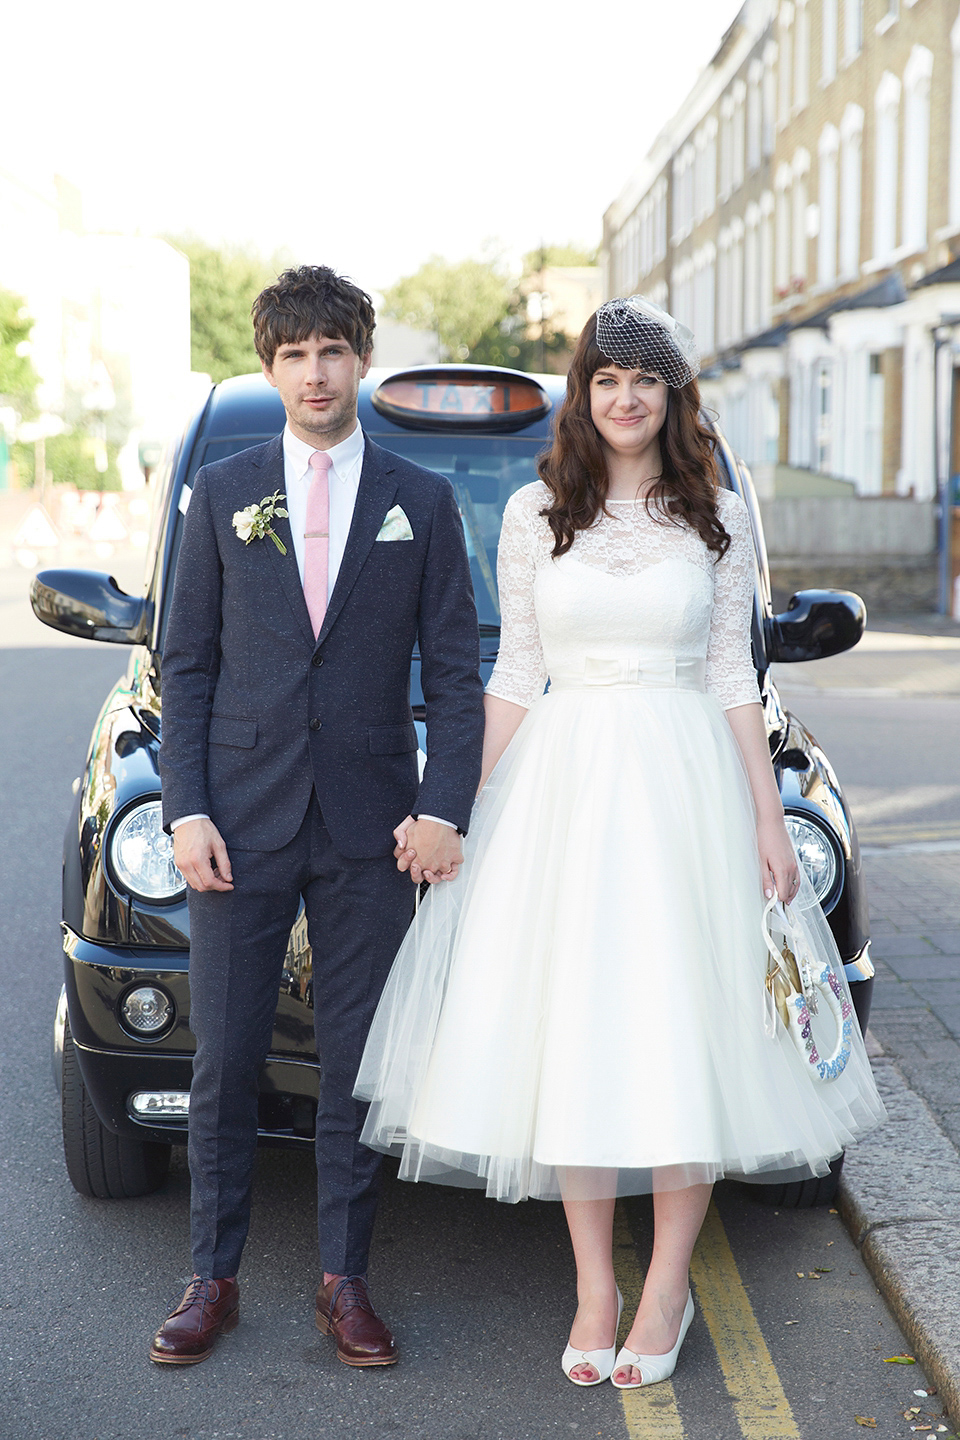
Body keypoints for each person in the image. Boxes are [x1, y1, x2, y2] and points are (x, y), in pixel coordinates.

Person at [356, 295, 885, 1389]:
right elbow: (512, 677)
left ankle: (666, 1284)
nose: (625, 397)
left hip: (682, 787)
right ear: (583, 395)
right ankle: (596, 1282)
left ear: (673, 395)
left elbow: (737, 677)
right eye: (605, 380)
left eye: (645, 380)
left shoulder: (719, 518)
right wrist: (453, 806)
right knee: (577, 1038)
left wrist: (763, 817)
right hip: (565, 791)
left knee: (685, 1033)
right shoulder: (534, 512)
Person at [153, 265, 484, 1368]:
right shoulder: (225, 490)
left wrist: (444, 808)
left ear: (360, 361)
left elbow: (453, 673)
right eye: (293, 355)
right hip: (237, 823)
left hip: (372, 825)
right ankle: (213, 1276)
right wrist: (186, 808)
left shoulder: (421, 502)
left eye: (332, 351)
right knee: (226, 1059)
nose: (314, 372)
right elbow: (185, 667)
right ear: (269, 366)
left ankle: (346, 1282)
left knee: (353, 1066)